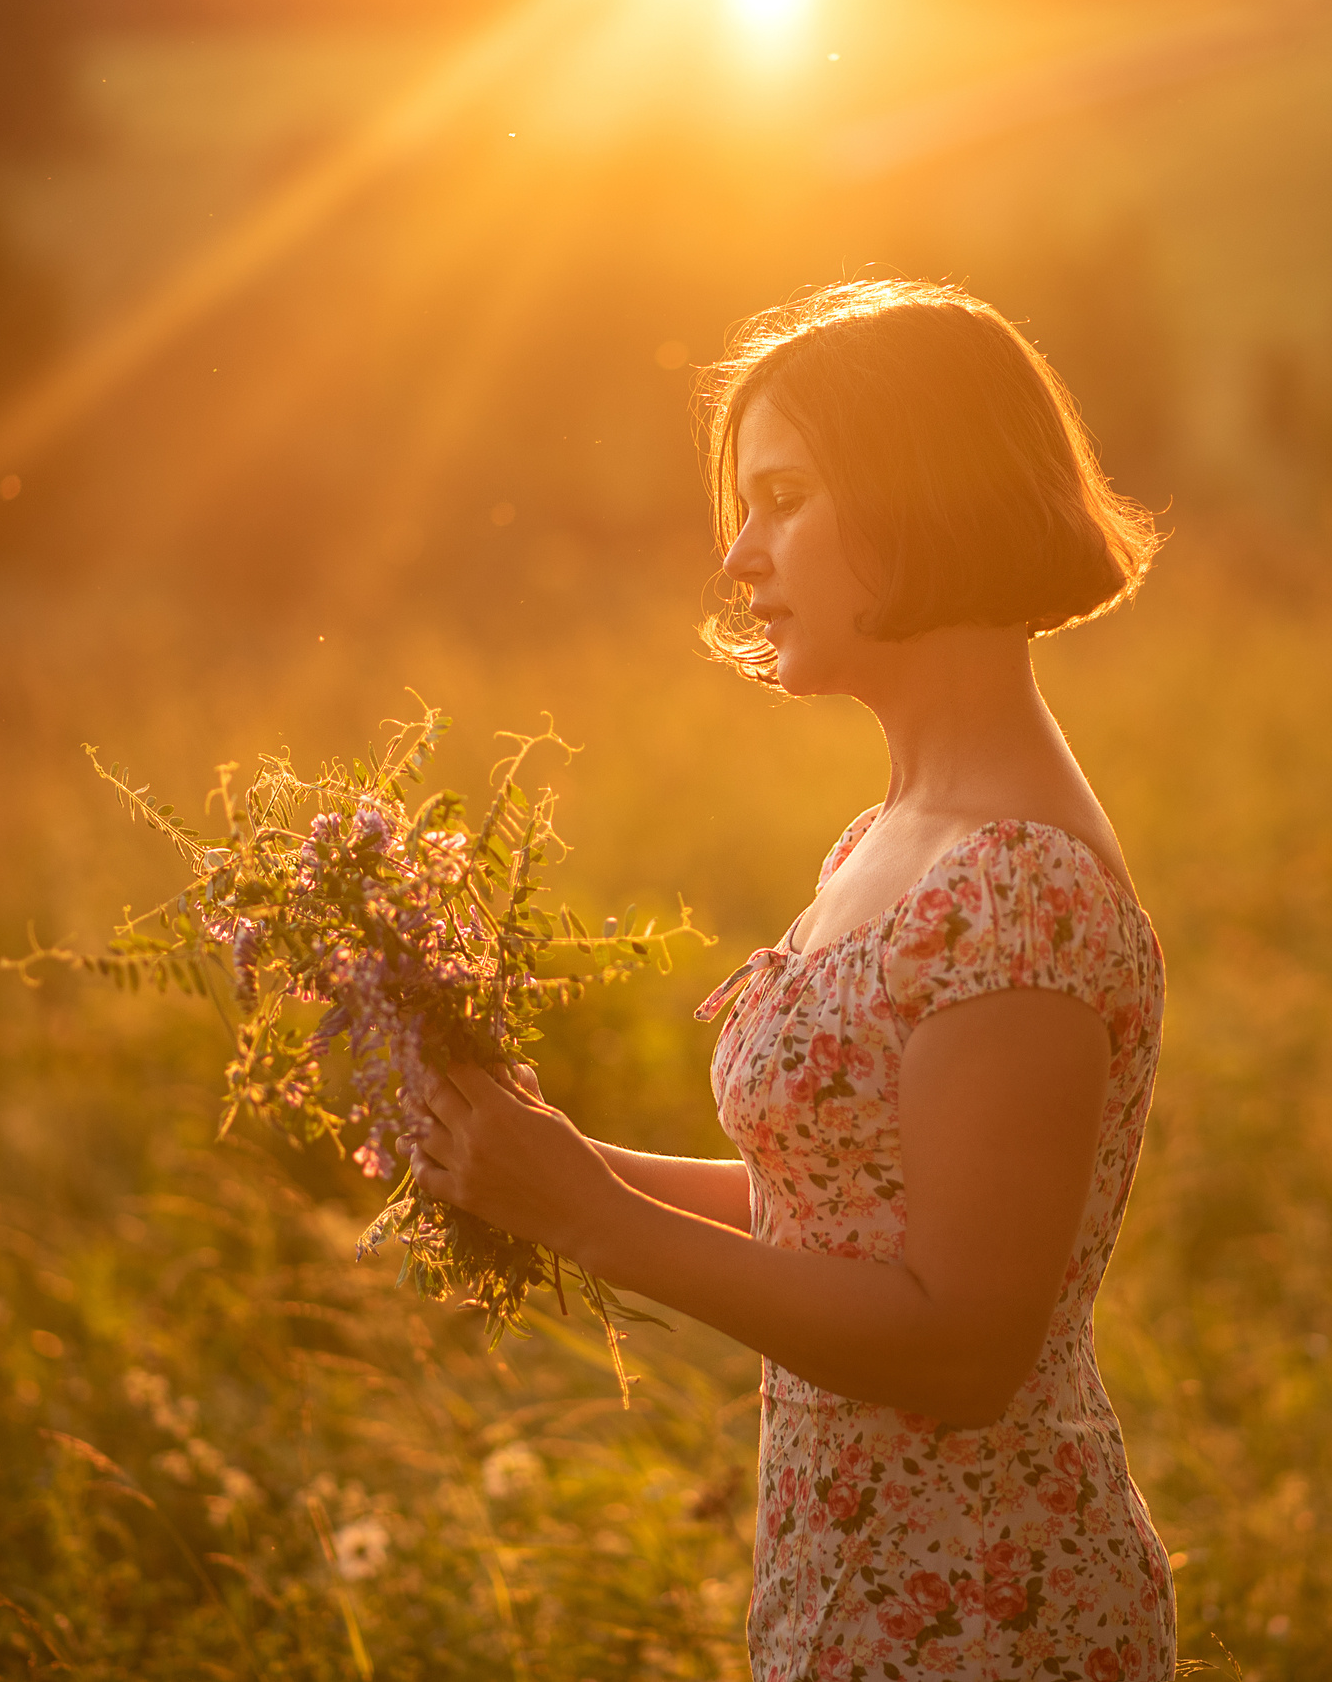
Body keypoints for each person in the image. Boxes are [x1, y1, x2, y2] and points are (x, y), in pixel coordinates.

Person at [405, 277, 1175, 1680]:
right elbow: (838, 1205)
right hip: (853, 1588)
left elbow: (964, 1347)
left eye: (783, 497)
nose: (739, 551)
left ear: (920, 499)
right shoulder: (893, 835)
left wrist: (591, 1219)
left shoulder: (1019, 887)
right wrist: (529, 1157)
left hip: (989, 1616)